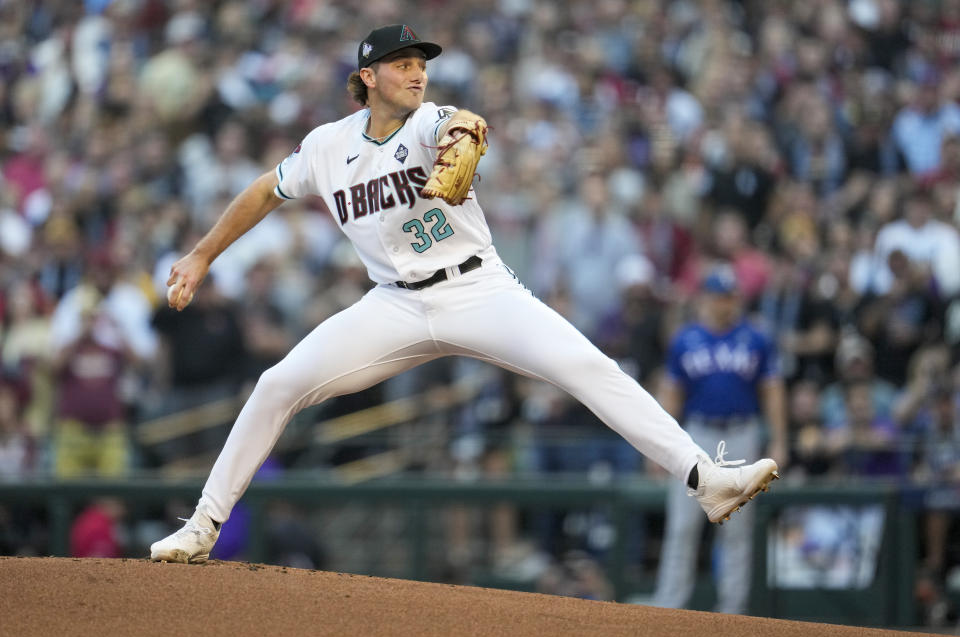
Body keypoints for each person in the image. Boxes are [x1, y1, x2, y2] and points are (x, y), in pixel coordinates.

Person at [149, 24, 779, 564]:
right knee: (277, 384)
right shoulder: (327, 147)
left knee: (587, 366)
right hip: (392, 304)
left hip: (478, 288)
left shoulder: (429, 121)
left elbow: (465, 123)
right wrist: (203, 253)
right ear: (368, 76)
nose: (417, 74)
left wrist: (464, 136)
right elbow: (265, 189)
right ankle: (204, 525)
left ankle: (706, 479)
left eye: (422, 65)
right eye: (402, 65)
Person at [652, 265, 787, 614]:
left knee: (737, 531)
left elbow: (772, 392)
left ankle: (733, 613)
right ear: (705, 298)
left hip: (742, 434)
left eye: (729, 296)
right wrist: (657, 446)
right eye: (718, 296)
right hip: (697, 434)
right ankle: (669, 607)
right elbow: (671, 394)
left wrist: (779, 441)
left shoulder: (756, 338)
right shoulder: (686, 339)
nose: (724, 304)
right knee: (682, 526)